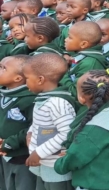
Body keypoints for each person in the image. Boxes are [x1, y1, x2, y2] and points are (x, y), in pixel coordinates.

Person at [53, 69, 109, 190]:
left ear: (81, 98)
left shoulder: (89, 132)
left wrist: (60, 164)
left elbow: (75, 157)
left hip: (92, 184)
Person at [23, 54, 77, 189]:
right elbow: (40, 123)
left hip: (56, 165)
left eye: (27, 79)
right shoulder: (44, 98)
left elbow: (66, 133)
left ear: (40, 79)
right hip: (44, 162)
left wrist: (38, 152)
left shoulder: (57, 103)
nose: (25, 83)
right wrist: (30, 133)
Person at [0, 56, 37, 190]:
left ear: (17, 78)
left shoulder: (30, 99)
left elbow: (33, 128)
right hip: (4, 155)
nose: (0, 70)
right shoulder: (4, 94)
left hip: (22, 157)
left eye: (3, 68)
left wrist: (10, 142)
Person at [61, 21, 108, 97]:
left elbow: (77, 93)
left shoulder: (90, 63)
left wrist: (61, 73)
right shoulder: (83, 56)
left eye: (70, 37)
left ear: (83, 44)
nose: (65, 39)